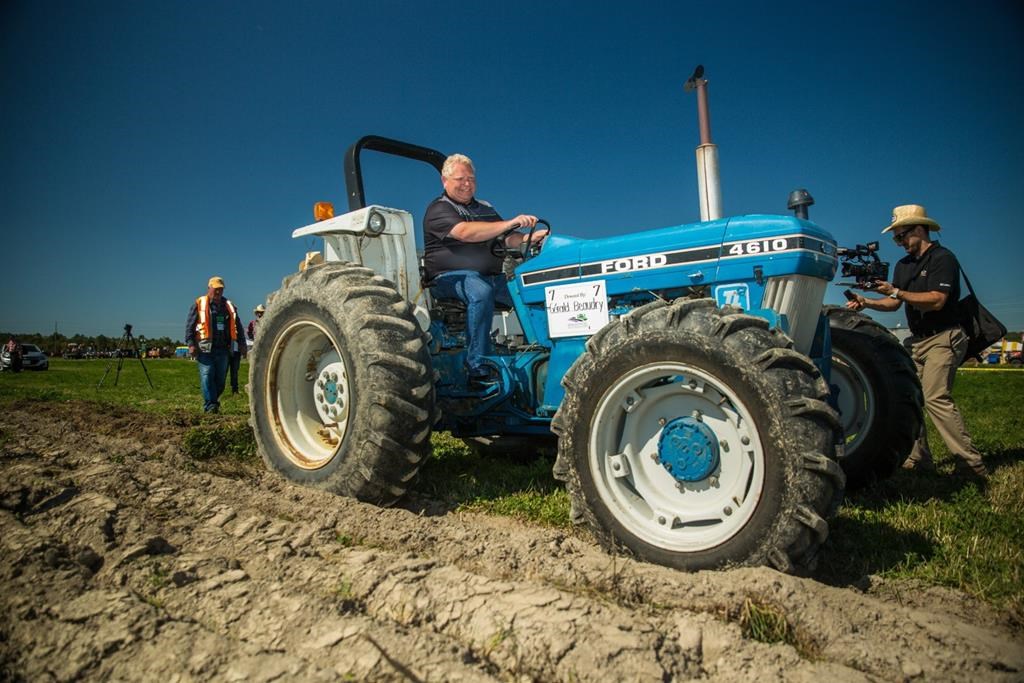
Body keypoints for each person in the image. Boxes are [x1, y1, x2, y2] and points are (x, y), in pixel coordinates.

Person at [846, 204, 987, 478]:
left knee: (935, 397)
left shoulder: (943, 258)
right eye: (895, 238)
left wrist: (897, 291)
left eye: (901, 236)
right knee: (910, 396)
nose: (898, 243)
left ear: (920, 229)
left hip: (945, 336)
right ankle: (919, 458)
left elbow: (937, 300)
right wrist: (867, 302)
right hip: (917, 340)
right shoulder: (903, 265)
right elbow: (893, 303)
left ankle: (971, 465)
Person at [423, 153, 548, 391]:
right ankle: (477, 367)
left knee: (527, 290)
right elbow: (465, 233)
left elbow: (508, 238)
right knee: (480, 290)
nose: (467, 183)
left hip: (490, 276)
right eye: (460, 178)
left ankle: (543, 351)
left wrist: (530, 238)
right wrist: (510, 222)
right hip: (449, 278)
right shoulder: (438, 209)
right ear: (444, 180)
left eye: (471, 178)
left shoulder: (485, 208)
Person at [185, 276, 246, 413]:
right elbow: (189, 325)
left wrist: (241, 343)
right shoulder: (199, 304)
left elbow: (238, 326)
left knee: (220, 380)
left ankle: (213, 399)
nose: (218, 292)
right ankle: (211, 405)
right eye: (216, 289)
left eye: (221, 289)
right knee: (207, 375)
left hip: (223, 349)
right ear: (209, 288)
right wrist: (190, 344)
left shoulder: (229, 307)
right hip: (204, 348)